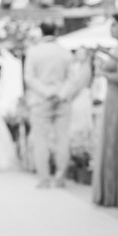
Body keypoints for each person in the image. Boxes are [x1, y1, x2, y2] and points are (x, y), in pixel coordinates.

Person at [24, 21, 77, 188]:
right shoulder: (65, 52)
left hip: (41, 100)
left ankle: (44, 179)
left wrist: (47, 92)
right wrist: (60, 93)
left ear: (41, 32)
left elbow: (29, 78)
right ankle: (60, 178)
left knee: (41, 140)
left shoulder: (34, 52)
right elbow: (72, 78)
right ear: (56, 32)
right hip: (61, 100)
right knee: (63, 139)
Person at [92, 13, 118, 207]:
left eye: (116, 25)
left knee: (116, 141)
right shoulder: (117, 47)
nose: (112, 28)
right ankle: (111, 191)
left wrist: (102, 72)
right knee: (110, 141)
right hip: (110, 98)